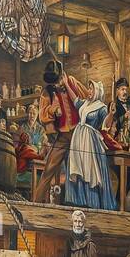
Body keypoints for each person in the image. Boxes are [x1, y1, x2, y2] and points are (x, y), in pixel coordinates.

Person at [35, 59, 87, 203]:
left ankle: (79, 204)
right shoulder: (47, 92)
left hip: (78, 135)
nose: (57, 84)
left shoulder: (72, 82)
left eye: (58, 80)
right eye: (54, 82)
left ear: (63, 75)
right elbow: (42, 113)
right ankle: (36, 203)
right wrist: (53, 109)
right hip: (62, 136)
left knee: (80, 170)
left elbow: (87, 98)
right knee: (49, 169)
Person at [64, 81, 115, 210]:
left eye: (92, 89)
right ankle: (78, 201)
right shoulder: (84, 104)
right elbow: (74, 99)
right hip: (78, 139)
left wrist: (111, 114)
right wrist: (66, 84)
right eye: (89, 89)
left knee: (89, 170)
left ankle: (92, 202)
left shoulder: (101, 107)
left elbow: (106, 125)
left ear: (97, 91)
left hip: (90, 141)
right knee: (77, 166)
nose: (89, 91)